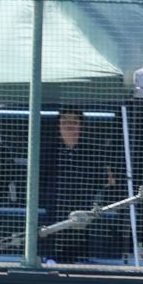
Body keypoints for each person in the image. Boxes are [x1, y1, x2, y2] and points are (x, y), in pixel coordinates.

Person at [40, 108, 121, 263]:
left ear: (81, 126)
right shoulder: (48, 151)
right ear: (58, 126)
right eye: (65, 122)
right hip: (54, 210)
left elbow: (107, 181)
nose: (69, 126)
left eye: (74, 122)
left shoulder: (92, 151)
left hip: (84, 209)